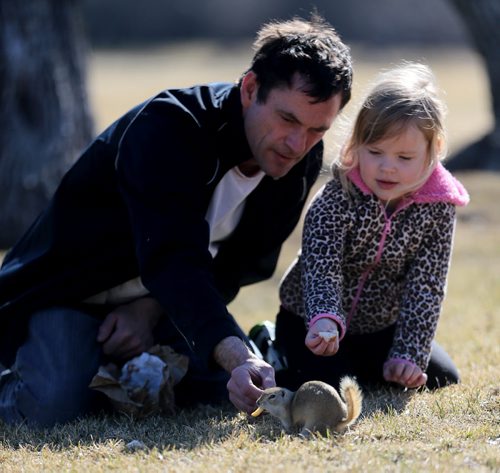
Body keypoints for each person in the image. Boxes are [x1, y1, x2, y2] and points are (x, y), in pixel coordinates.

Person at [0, 15, 353, 427]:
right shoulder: (168, 128)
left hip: (162, 305)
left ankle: (111, 371)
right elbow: (172, 256)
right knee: (52, 407)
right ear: (251, 89)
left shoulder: (300, 158)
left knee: (233, 392)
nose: (298, 145)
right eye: (288, 120)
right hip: (67, 294)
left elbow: (241, 263)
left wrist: (148, 311)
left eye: (316, 130)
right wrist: (235, 354)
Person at [261, 62, 469, 392]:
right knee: (323, 386)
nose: (387, 167)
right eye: (375, 152)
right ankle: (271, 343)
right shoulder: (338, 195)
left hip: (379, 326)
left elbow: (427, 285)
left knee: (440, 377)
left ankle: (368, 363)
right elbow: (322, 267)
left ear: (435, 150)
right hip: (312, 321)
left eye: (404, 157)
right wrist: (325, 318)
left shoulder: (439, 207)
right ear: (357, 144)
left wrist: (408, 353)